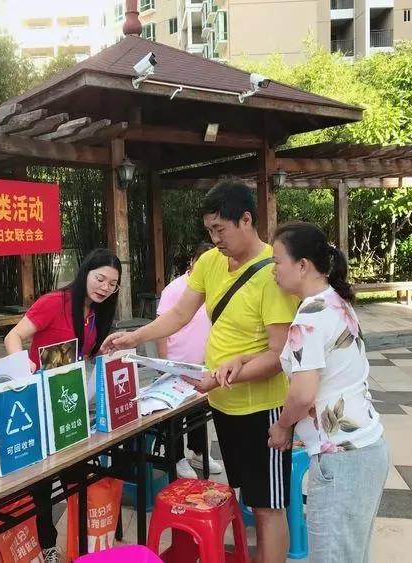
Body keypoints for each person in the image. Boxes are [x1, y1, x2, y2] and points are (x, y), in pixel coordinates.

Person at [102, 180, 298, 563]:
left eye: (220, 229)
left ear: (246, 220)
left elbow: (279, 355)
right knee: (245, 496)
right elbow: (179, 313)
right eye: (209, 231)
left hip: (264, 411)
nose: (215, 239)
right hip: (224, 405)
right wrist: (134, 337)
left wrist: (223, 376)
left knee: (267, 507)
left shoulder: (274, 273)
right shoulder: (210, 263)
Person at [260, 222, 387, 563]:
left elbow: (303, 394)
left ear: (302, 265)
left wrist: (282, 427)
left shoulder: (310, 316)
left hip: (342, 460)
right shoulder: (335, 300)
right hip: (366, 449)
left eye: (277, 261)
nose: (273, 270)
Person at [4, 248, 122, 563]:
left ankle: (84, 542)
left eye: (112, 284)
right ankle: (48, 546)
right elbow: (13, 337)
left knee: (77, 473)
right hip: (37, 403)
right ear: (85, 272)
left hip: (68, 404)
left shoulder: (96, 313)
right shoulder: (55, 302)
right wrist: (22, 367)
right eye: (100, 279)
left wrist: (105, 352)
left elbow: (83, 354)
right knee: (42, 483)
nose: (105, 288)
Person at [156, 241, 223, 479]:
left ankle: (199, 453)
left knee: (198, 413)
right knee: (175, 415)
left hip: (202, 363)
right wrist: (164, 362)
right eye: (202, 261)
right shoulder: (175, 289)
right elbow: (162, 326)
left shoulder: (214, 286)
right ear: (192, 262)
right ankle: (177, 458)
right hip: (176, 364)